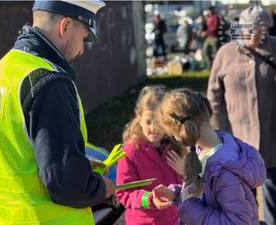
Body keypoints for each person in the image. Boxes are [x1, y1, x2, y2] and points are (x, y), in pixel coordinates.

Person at [0, 1, 115, 224]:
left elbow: (16, 154)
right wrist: (100, 187)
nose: (81, 50)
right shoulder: (49, 82)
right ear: (66, 26)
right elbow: (66, 184)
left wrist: (78, 163)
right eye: (83, 38)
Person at [152, 88, 266, 225]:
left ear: (178, 133)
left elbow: (237, 222)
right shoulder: (208, 151)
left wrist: (189, 208)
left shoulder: (222, 171)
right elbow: (206, 196)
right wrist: (176, 195)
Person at [207, 6, 276, 225]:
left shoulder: (275, 48)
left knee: (273, 193)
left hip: (272, 137)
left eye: (259, 30)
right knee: (242, 198)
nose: (254, 35)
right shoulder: (226, 52)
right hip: (237, 141)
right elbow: (214, 95)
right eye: (248, 30)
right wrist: (218, 133)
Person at [116, 86, 184, 225]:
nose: (153, 128)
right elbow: (124, 193)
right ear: (139, 119)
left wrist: (184, 172)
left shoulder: (176, 147)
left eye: (159, 122)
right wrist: (150, 199)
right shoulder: (130, 152)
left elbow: (191, 188)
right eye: (148, 121)